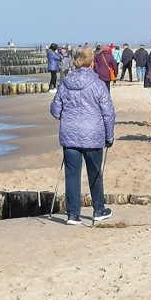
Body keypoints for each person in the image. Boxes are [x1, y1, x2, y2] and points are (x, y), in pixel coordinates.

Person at [50, 47, 116, 225]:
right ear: (92, 62)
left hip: (71, 135)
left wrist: (68, 115)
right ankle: (99, 209)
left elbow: (55, 110)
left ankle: (73, 214)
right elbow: (108, 113)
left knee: (72, 175)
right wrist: (110, 136)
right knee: (94, 173)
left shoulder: (65, 83)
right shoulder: (98, 84)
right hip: (93, 135)